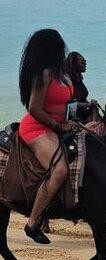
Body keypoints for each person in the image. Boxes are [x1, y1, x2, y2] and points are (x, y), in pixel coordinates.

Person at [18, 29, 75, 244]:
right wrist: (58, 126)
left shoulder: (62, 74)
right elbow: (34, 108)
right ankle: (32, 223)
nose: (63, 48)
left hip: (60, 126)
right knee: (59, 169)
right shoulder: (43, 74)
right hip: (38, 127)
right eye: (59, 44)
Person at [65, 52, 99, 123]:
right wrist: (88, 104)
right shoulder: (67, 80)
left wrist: (91, 104)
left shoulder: (79, 79)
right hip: (74, 115)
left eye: (85, 62)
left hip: (83, 112)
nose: (85, 64)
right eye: (83, 62)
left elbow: (82, 98)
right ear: (74, 64)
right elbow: (69, 103)